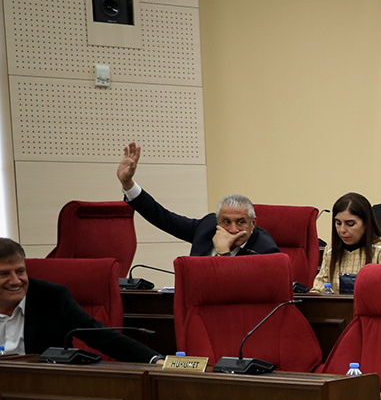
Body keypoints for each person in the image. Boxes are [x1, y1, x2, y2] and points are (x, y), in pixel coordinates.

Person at [0, 238, 159, 362]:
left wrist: (155, 361)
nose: (15, 281)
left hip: (41, 385)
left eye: (20, 271)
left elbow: (103, 337)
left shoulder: (51, 298)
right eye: (4, 274)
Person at [115, 142, 279, 257]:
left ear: (253, 223)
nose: (233, 229)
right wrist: (128, 183)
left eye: (241, 222)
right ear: (217, 221)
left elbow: (238, 288)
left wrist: (224, 252)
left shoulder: (266, 251)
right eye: (226, 222)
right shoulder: (207, 227)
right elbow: (163, 218)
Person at [314, 192, 381, 293]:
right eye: (338, 223)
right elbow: (319, 288)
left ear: (366, 223)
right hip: (336, 303)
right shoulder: (331, 250)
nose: (342, 230)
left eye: (350, 224)